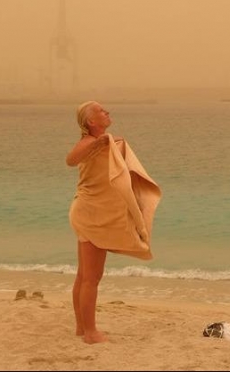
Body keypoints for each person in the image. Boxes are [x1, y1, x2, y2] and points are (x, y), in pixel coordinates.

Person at [65, 100, 161, 344]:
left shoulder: (109, 143)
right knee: (91, 278)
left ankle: (80, 327)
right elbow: (71, 159)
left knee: (83, 275)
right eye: (101, 111)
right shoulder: (88, 143)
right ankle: (90, 332)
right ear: (91, 121)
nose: (107, 112)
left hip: (92, 212)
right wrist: (98, 142)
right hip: (91, 214)